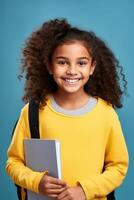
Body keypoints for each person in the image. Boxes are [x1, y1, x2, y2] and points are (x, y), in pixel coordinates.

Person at [6, 18, 129, 200]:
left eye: (81, 63)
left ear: (92, 67)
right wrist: (37, 181)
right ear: (49, 66)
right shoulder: (32, 112)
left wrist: (84, 190)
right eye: (62, 62)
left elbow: (118, 167)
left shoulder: (106, 114)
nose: (72, 71)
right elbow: (14, 163)